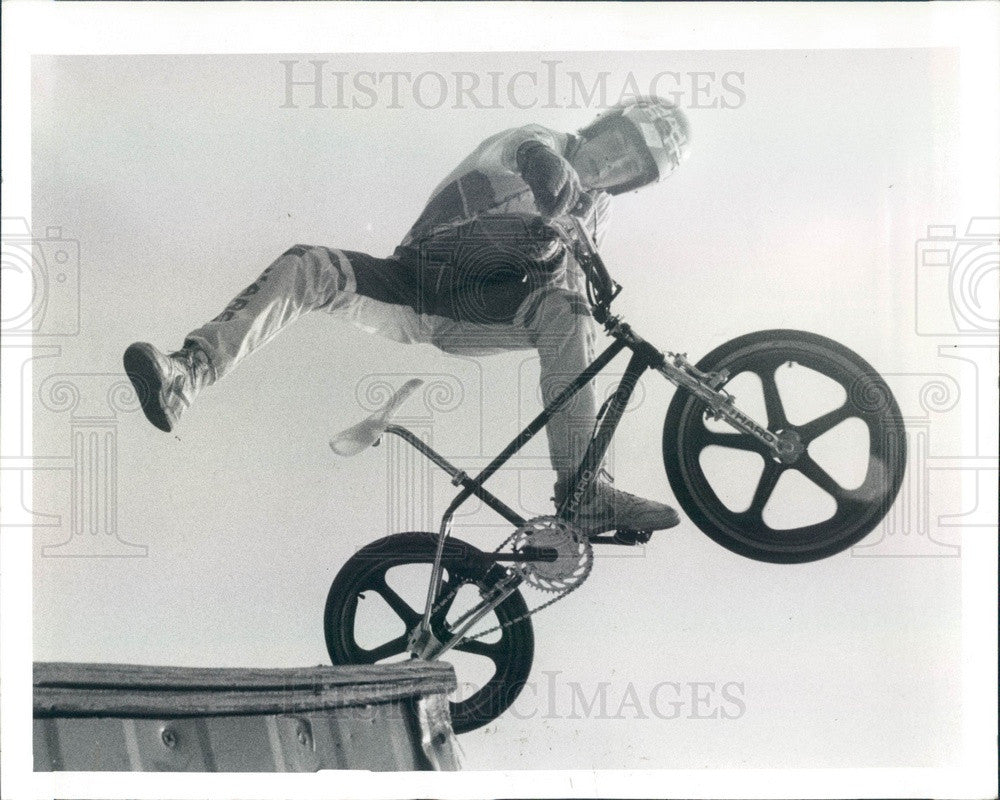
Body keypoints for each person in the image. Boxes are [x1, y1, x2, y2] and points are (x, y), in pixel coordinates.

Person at [124, 96, 690, 535]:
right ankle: (188, 373)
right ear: (603, 124)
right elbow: (527, 147)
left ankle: (583, 486)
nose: (613, 163)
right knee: (308, 265)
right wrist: (545, 170)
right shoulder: (541, 139)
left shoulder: (596, 217)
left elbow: (563, 305)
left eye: (630, 167)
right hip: (419, 278)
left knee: (567, 309)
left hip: (475, 313)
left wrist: (571, 288)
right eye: (619, 142)